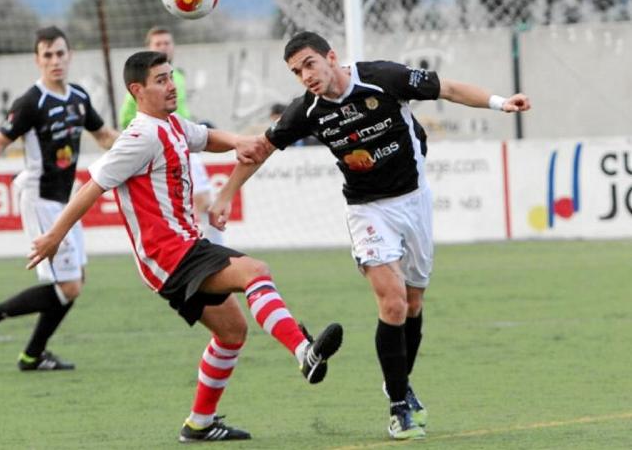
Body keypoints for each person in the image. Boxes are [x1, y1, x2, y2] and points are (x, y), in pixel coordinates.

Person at [209, 31, 531, 440]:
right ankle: (398, 406)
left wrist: (501, 102)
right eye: (296, 72)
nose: (306, 76)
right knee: (393, 302)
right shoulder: (306, 111)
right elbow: (262, 148)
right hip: (366, 209)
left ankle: (399, 383)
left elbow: (448, 88)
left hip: (414, 200)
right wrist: (226, 195)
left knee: (413, 303)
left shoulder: (382, 77)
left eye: (309, 64)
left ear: (331, 57)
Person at [27, 50, 343, 442]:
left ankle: (199, 424)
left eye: (171, 77)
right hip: (168, 254)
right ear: (137, 91)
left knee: (232, 332)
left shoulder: (171, 125)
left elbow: (206, 138)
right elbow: (92, 187)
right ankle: (303, 352)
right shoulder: (140, 137)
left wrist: (239, 141)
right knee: (255, 272)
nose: (171, 86)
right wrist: (54, 236)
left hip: (182, 248)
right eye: (160, 80)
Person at [0, 26, 119, 371]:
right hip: (40, 199)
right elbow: (1, 139)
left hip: (66, 199)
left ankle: (32, 355)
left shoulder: (78, 97)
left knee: (75, 280)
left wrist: (138, 143)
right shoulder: (30, 102)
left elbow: (103, 136)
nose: (55, 60)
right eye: (47, 55)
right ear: (37, 60)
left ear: (69, 55)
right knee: (69, 285)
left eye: (60, 53)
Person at [119, 26, 221, 244]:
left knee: (204, 202)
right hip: (165, 147)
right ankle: (192, 243)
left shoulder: (178, 77)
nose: (163, 47)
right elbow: (126, 119)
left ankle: (207, 246)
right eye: (158, 44)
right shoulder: (141, 88)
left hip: (186, 142)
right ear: (149, 48)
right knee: (197, 202)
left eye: (167, 43)